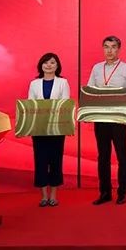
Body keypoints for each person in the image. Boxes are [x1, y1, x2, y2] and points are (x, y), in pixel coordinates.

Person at [87, 36, 126, 205]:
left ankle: (122, 192)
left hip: (119, 118)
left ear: (118, 49)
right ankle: (105, 192)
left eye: (113, 47)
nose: (109, 50)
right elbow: (90, 91)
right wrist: (89, 113)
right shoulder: (96, 68)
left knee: (122, 155)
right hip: (101, 118)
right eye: (106, 47)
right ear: (103, 49)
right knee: (103, 156)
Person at [28, 52, 71, 207]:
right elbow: (30, 106)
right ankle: (43, 196)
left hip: (57, 128)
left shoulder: (63, 82)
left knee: (55, 161)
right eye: (46, 62)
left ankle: (53, 195)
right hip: (38, 128)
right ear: (41, 65)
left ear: (57, 66)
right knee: (40, 161)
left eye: (52, 62)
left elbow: (65, 105)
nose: (48, 65)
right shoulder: (34, 84)